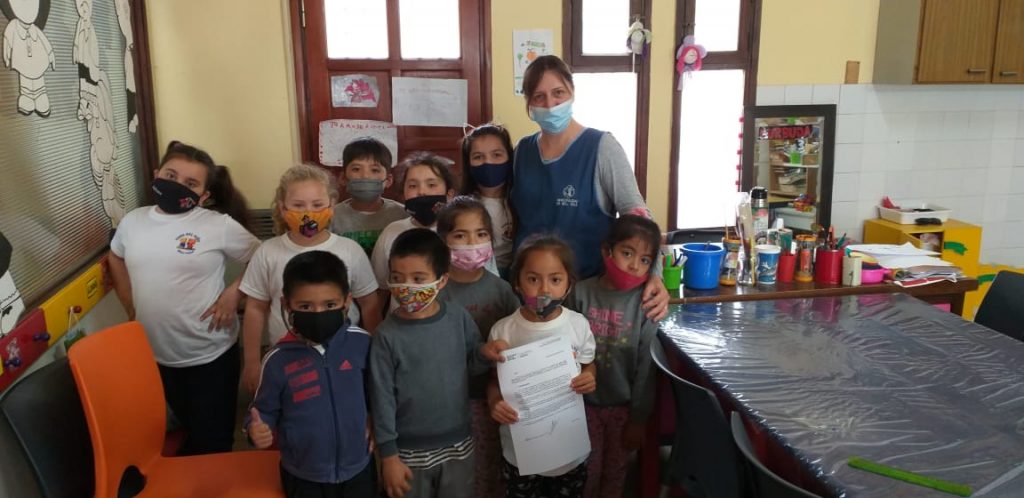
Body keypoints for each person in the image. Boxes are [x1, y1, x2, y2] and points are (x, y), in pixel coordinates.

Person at [108, 141, 259, 455]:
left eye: (190, 183)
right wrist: (129, 304)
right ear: (156, 174)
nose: (178, 185)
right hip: (153, 355)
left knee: (212, 443)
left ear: (203, 195)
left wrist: (234, 293)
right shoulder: (133, 221)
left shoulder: (216, 225)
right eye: (171, 175)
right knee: (171, 440)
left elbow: (265, 257)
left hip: (210, 355)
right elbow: (115, 258)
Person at [509, 54, 669, 321]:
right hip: (532, 297)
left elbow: (638, 216)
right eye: (539, 97)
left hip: (589, 299)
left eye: (558, 93)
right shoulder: (521, 152)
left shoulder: (601, 148)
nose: (550, 104)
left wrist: (655, 274)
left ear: (572, 91)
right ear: (528, 104)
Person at [369, 228, 500, 498]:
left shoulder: (458, 318)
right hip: (406, 452)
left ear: (441, 281)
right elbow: (381, 398)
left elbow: (472, 367)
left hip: (458, 444)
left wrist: (485, 353)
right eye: (397, 278)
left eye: (418, 278)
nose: (406, 287)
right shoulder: (386, 335)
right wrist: (389, 455)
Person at [240, 164, 382, 393]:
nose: (308, 213)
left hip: (343, 355)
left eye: (317, 205)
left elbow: (370, 303)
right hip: (286, 357)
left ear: (331, 206)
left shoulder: (350, 250)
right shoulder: (267, 252)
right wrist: (252, 362)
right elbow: (255, 308)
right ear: (283, 208)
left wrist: (376, 354)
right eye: (298, 205)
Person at [246, 250, 376, 498]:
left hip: (359, 469)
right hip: (303, 475)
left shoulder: (363, 345)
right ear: (286, 305)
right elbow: (262, 411)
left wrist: (377, 420)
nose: (318, 314)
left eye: (330, 305)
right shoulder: (276, 360)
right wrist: (255, 430)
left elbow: (377, 395)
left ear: (347, 301)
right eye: (305, 306)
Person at [488, 235, 597, 498]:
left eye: (555, 279)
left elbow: (589, 364)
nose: (544, 290)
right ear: (517, 282)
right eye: (533, 279)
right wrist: (494, 402)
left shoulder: (578, 325)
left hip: (568, 450)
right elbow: (494, 380)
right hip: (521, 452)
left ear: (569, 285)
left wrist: (589, 377)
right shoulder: (504, 330)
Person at [568, 215, 660, 498]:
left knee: (616, 474)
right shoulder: (581, 293)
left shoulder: (647, 302)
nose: (634, 265)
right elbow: (564, 350)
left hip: (623, 408)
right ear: (607, 251)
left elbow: (647, 367)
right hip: (582, 406)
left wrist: (638, 419)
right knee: (586, 473)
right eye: (627, 253)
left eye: (645, 260)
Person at [436, 197, 520, 497]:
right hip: (447, 403)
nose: (472, 243)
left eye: (481, 234)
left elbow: (521, 338)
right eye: (461, 235)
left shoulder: (501, 290)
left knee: (491, 470)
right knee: (457, 477)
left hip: (495, 400)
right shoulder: (434, 292)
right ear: (443, 240)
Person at [370, 152, 456, 291]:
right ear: (404, 194)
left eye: (431, 184)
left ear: (449, 194)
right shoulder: (392, 231)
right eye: (412, 186)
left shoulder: (462, 231)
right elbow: (382, 287)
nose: (422, 191)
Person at [331, 137, 409, 255]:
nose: (365, 176)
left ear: (388, 180)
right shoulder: (331, 217)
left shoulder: (403, 215)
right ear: (343, 178)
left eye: (375, 170)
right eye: (356, 169)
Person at [461, 124, 515, 276]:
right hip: (479, 275)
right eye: (478, 157)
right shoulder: (463, 207)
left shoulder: (520, 199)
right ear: (468, 163)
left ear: (509, 157)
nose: (488, 162)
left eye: (497, 155)